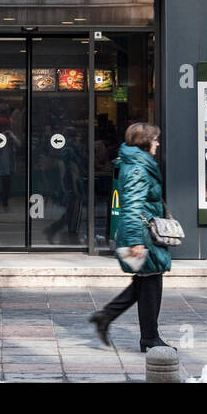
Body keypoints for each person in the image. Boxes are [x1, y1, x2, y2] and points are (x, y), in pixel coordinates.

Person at [88, 122, 172, 353]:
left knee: (146, 283)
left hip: (143, 231)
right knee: (150, 283)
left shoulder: (139, 163)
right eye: (154, 139)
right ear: (144, 142)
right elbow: (133, 205)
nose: (157, 143)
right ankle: (149, 337)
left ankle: (106, 318)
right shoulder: (137, 167)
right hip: (141, 233)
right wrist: (136, 241)